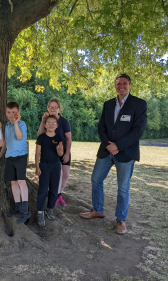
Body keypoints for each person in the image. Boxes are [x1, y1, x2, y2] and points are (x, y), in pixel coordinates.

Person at [80, 74, 147, 235]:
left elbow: (138, 130)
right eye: (118, 84)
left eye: (124, 83)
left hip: (126, 153)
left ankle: (121, 220)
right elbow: (101, 127)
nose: (121, 86)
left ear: (130, 85)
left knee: (123, 188)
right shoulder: (108, 104)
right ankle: (98, 210)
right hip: (106, 151)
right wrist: (110, 145)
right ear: (115, 86)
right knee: (96, 179)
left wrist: (119, 145)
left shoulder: (139, 104)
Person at [0, 102, 31, 224]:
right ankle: (17, 206)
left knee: (21, 181)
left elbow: (19, 137)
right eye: (9, 112)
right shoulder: (7, 126)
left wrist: (16, 123)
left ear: (18, 113)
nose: (11, 115)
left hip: (20, 156)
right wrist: (0, 155)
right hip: (9, 157)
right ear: (6, 113)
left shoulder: (21, 124)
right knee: (13, 183)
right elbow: (5, 142)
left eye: (14, 112)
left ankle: (25, 210)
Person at [37, 98, 72, 208]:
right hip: (51, 153)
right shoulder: (47, 120)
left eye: (55, 107)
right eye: (50, 107)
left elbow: (69, 138)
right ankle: (54, 198)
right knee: (58, 175)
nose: (52, 109)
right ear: (48, 108)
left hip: (64, 150)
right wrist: (43, 121)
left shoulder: (64, 121)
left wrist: (67, 153)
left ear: (59, 109)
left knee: (65, 175)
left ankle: (59, 194)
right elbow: (40, 135)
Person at [35, 115, 64, 227]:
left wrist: (59, 150)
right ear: (45, 124)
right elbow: (37, 153)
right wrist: (37, 167)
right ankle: (40, 212)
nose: (51, 125)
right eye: (49, 123)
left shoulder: (59, 137)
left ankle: (50, 209)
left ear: (57, 125)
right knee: (43, 189)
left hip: (56, 165)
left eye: (53, 123)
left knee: (54, 188)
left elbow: (60, 154)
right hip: (44, 166)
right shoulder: (41, 137)